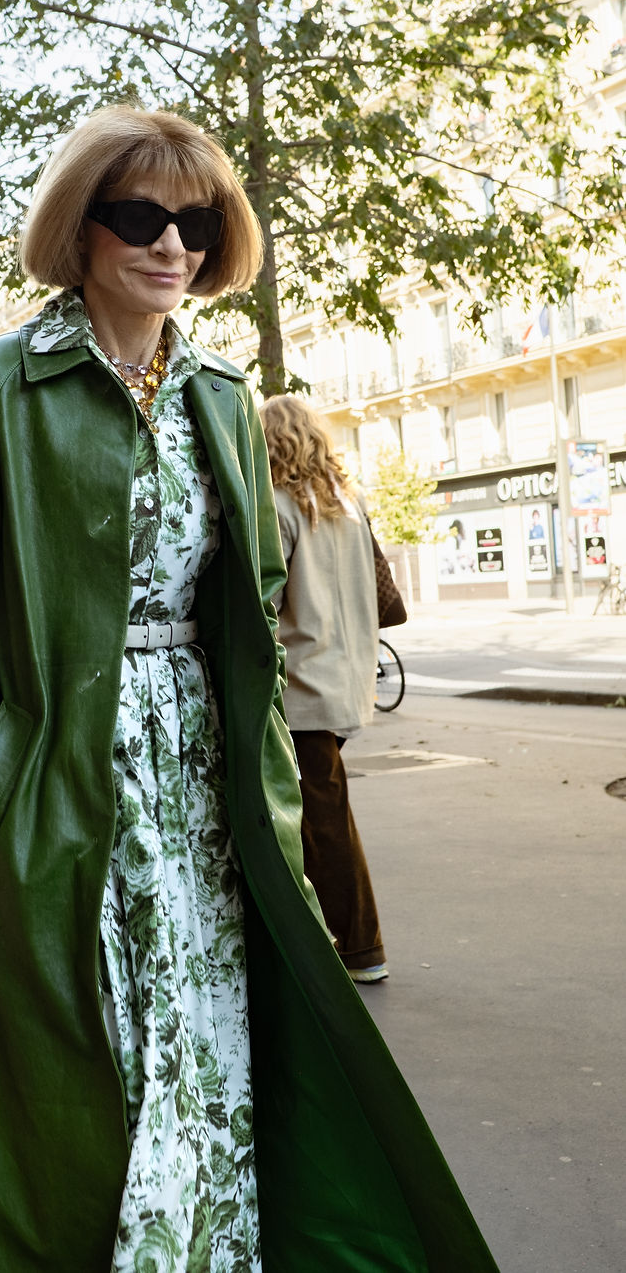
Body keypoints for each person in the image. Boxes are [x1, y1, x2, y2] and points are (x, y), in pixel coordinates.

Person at [0, 105, 499, 1271]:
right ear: (79, 229)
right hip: (61, 762)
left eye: (196, 221)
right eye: (138, 216)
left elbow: (250, 597)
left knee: (208, 1020)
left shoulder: (221, 393)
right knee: (85, 1040)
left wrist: (262, 762)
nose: (170, 243)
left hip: (204, 765)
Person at [260, 393, 388, 986]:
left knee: (322, 819)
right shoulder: (347, 500)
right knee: (315, 813)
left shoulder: (279, 506)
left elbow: (266, 599)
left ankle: (361, 947)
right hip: (347, 680)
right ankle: (326, 940)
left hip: (302, 685)